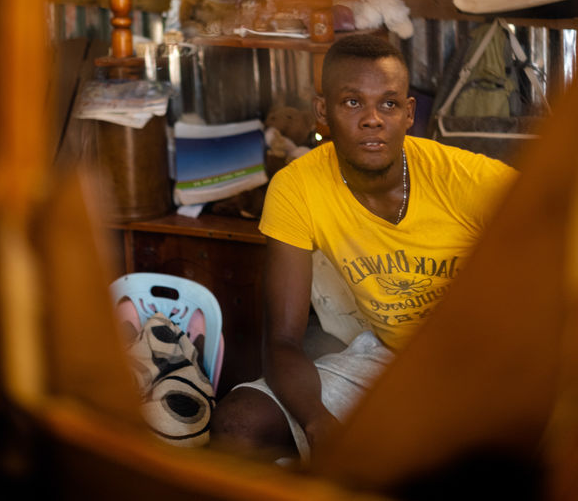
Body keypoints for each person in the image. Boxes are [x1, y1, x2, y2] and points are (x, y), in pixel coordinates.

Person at [210, 33, 518, 461]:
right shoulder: (297, 188)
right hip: (389, 358)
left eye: (388, 104)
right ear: (323, 112)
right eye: (353, 102)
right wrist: (318, 422)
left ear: (408, 113)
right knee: (238, 424)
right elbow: (282, 340)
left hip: (488, 363)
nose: (372, 119)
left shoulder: (470, 180)